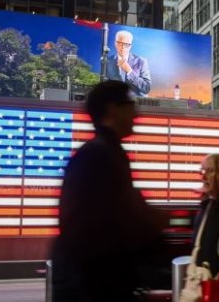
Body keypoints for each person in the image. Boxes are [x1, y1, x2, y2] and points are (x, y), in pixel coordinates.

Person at [51, 80, 166, 302]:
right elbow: (109, 222)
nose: (136, 113)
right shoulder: (101, 155)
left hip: (89, 281)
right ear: (113, 108)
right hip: (93, 285)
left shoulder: (101, 152)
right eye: (131, 104)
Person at [106, 30, 152, 97]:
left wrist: (129, 71)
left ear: (130, 46)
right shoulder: (108, 61)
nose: (123, 47)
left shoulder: (141, 62)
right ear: (115, 44)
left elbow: (147, 88)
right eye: (120, 43)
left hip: (134, 104)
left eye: (126, 45)